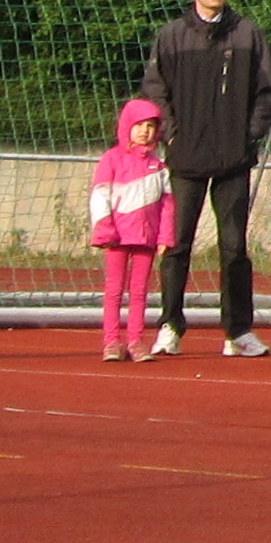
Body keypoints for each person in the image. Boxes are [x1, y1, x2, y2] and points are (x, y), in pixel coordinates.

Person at [138, 0, 271, 359]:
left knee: (234, 248)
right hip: (186, 158)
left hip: (234, 159)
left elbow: (267, 91)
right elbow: (155, 90)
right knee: (177, 244)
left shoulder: (248, 34)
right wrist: (172, 135)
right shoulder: (172, 35)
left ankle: (238, 331)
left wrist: (248, 135)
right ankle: (170, 325)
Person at [86, 99, 172, 362]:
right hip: (117, 238)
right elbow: (100, 195)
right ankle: (111, 341)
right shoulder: (111, 159)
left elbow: (168, 205)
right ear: (127, 126)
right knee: (114, 290)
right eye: (139, 125)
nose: (144, 131)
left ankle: (135, 341)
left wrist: (164, 236)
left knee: (139, 291)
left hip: (146, 238)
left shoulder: (159, 167)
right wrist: (105, 229)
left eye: (150, 126)